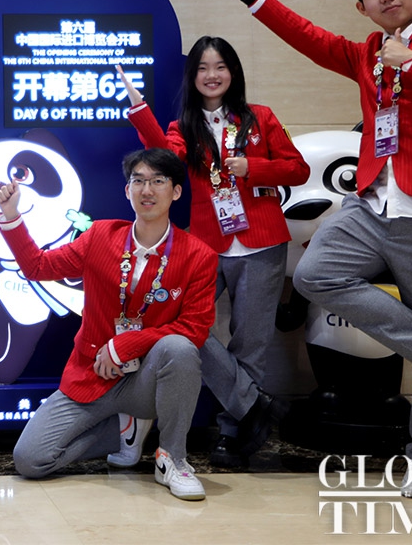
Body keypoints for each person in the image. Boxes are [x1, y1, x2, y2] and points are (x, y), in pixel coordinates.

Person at [217, 0, 412, 498]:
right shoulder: (368, 52)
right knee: (315, 274)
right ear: (362, 8)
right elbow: (309, 38)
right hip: (374, 201)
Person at [114, 37, 309, 469]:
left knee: (250, 342)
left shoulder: (260, 117)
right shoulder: (183, 127)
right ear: (193, 77)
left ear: (233, 72)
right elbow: (164, 159)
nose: (212, 75)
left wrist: (254, 167)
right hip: (206, 243)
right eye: (202, 68)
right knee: (177, 323)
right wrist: (139, 108)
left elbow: (298, 169)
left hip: (262, 240)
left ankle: (234, 431)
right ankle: (254, 406)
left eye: (220, 66)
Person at [0, 148, 218, 500]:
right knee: (30, 460)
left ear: (176, 191)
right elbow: (38, 266)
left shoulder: (198, 256)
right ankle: (123, 431)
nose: (147, 190)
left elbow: (195, 328)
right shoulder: (100, 236)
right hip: (92, 374)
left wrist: (124, 345)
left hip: (146, 382)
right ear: (127, 190)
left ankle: (173, 458)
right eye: (138, 181)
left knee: (179, 348)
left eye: (158, 181)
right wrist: (11, 216)